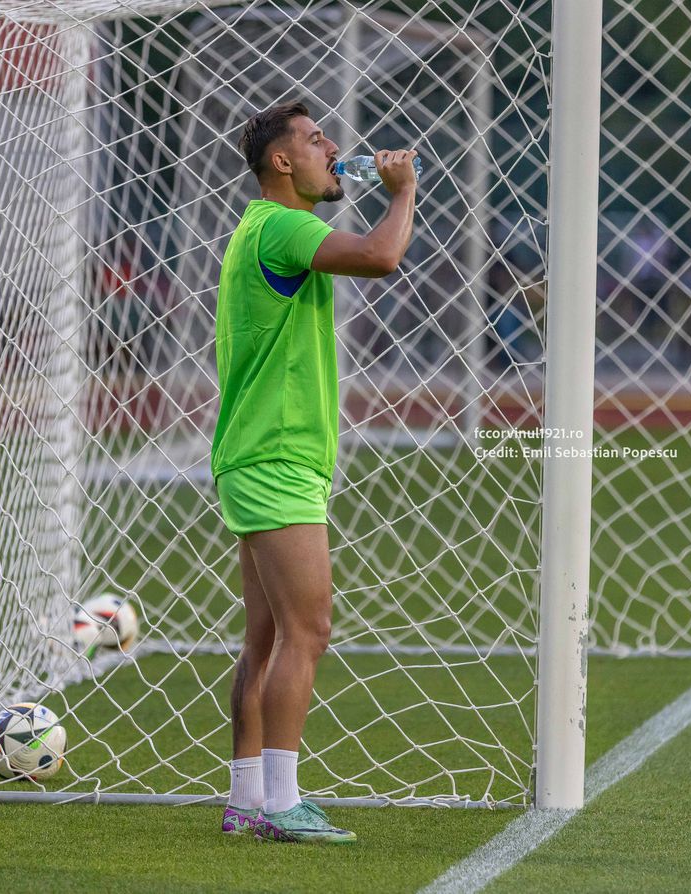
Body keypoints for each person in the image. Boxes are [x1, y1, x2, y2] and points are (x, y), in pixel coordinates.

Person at [211, 103, 417, 843]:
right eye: (315, 138)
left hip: (255, 454)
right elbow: (381, 257)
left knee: (265, 638)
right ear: (282, 162)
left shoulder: (256, 228)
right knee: (309, 630)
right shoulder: (285, 225)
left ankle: (245, 798)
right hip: (277, 459)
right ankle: (282, 802)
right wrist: (402, 192)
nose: (333, 147)